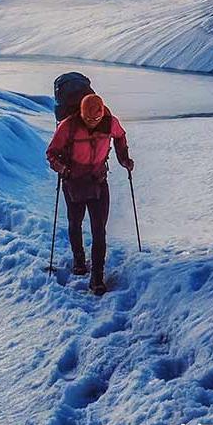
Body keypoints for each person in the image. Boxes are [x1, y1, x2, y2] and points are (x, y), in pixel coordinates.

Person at [45, 94, 133, 295]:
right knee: (75, 222)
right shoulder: (68, 126)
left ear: (102, 114)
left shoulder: (110, 123)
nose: (93, 123)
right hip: (73, 182)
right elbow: (51, 153)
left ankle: (97, 277)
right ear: (81, 114)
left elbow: (120, 137)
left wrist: (124, 159)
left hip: (97, 181)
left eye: (96, 119)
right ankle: (78, 261)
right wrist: (63, 169)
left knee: (99, 230)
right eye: (88, 119)